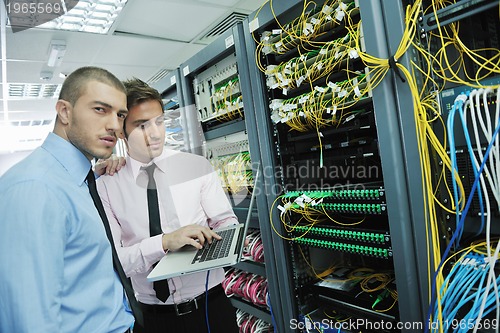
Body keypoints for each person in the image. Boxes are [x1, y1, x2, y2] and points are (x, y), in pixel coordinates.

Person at [96, 78, 240, 333]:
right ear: (121, 131)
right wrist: (163, 243)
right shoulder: (107, 185)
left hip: (211, 306)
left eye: (159, 122)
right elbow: (114, 261)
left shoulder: (196, 167)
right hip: (153, 318)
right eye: (141, 126)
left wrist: (217, 240)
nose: (155, 133)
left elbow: (226, 222)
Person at [0, 66, 136, 333]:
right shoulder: (35, 188)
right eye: (100, 109)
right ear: (64, 111)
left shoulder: (79, 181)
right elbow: (29, 323)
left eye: (120, 115)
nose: (114, 125)